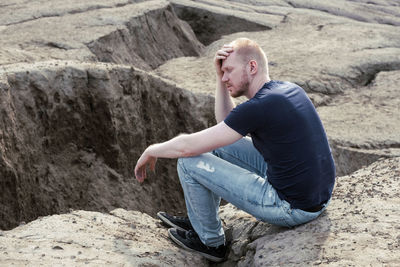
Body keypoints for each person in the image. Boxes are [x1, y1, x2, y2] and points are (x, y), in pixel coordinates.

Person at [134, 38, 336, 262]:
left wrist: (152, 150)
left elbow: (187, 148)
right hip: (319, 196)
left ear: (252, 67)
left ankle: (211, 243)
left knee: (189, 162)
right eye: (223, 72)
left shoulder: (259, 106)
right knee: (219, 144)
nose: (225, 77)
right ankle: (201, 220)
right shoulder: (286, 90)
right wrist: (221, 79)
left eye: (229, 70)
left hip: (291, 207)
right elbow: (225, 124)